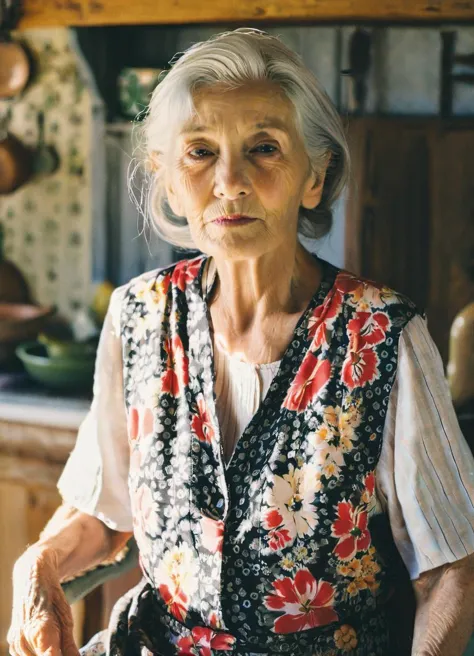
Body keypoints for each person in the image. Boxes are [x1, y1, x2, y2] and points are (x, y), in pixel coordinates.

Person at [8, 27, 474, 656]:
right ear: (170, 183)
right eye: (199, 152)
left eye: (264, 148)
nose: (230, 180)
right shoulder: (138, 317)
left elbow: (451, 569)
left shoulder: (384, 336)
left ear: (315, 177)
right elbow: (100, 512)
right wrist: (34, 566)